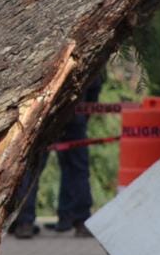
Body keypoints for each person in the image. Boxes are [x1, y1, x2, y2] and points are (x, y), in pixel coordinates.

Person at [11, 76, 103, 239]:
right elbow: (95, 82)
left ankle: (24, 222)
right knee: (77, 169)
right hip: (73, 117)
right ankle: (78, 219)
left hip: (45, 116)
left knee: (32, 169)